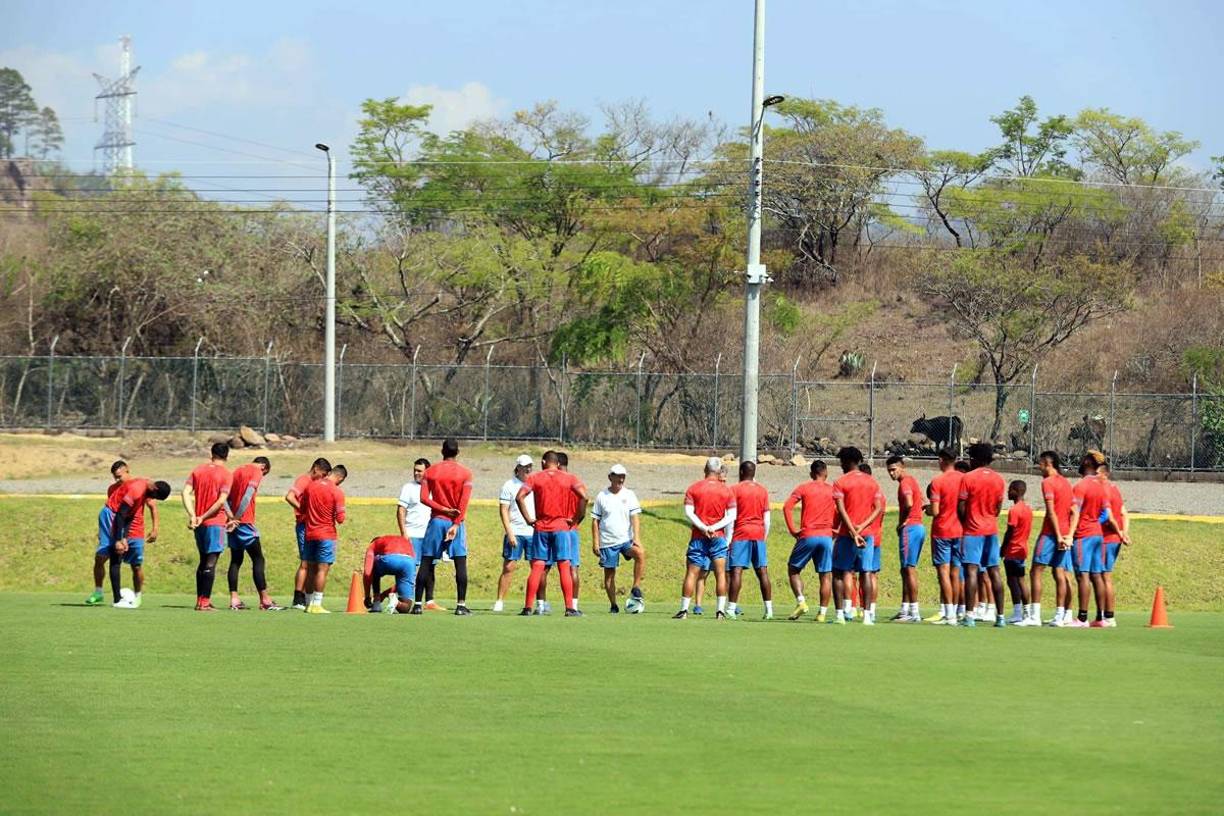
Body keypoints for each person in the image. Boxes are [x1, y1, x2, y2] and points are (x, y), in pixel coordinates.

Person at [516, 450, 588, 616]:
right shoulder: (569, 478)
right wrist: (576, 518)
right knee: (564, 566)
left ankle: (528, 607)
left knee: (538, 567)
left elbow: (519, 497)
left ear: (543, 462)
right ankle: (570, 608)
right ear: (558, 463)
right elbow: (584, 497)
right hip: (562, 527)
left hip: (541, 527)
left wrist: (528, 519)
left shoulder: (535, 477)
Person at [1066, 451, 1128, 628]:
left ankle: (1082, 618)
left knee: (1082, 575)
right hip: (1098, 536)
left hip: (1083, 535)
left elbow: (1075, 511)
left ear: (1087, 462)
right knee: (1097, 575)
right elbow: (1107, 513)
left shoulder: (1081, 485)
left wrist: (1070, 534)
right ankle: (1101, 617)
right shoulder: (1102, 486)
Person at [673, 457, 736, 619]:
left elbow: (688, 512)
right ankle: (720, 611)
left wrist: (703, 527)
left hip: (698, 536)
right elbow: (731, 516)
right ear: (719, 471)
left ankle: (684, 610)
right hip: (718, 536)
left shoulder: (694, 488)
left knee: (692, 573)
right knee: (721, 574)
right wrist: (714, 528)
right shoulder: (726, 491)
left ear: (705, 469)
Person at [418, 439, 475, 616]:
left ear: (442, 451)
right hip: (455, 522)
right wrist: (456, 522)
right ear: (458, 452)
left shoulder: (431, 472)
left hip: (436, 521)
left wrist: (442, 509)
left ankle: (418, 604)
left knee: (426, 561)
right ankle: (460, 605)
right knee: (460, 563)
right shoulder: (465, 473)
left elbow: (424, 498)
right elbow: (464, 502)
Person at [830, 448, 883, 624]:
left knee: (838, 572)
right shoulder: (872, 482)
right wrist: (863, 526)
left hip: (847, 535)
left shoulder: (840, 481)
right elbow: (878, 508)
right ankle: (867, 616)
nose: (841, 465)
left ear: (846, 461)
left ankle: (840, 615)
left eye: (841, 462)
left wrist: (853, 531)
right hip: (867, 534)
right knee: (866, 572)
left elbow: (841, 509)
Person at [956, 442, 1007, 627]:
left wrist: (966, 523)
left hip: (973, 530)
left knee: (971, 571)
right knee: (994, 571)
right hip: (991, 530)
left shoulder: (968, 478)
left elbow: (961, 506)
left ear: (976, 459)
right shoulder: (999, 479)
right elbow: (998, 508)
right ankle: (1000, 617)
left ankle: (969, 616)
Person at [104, 476, 172, 608]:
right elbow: (120, 514)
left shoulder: (146, 492)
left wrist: (124, 536)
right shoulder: (137, 490)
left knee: (134, 564)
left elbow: (129, 515)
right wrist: (119, 539)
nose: (153, 500)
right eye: (155, 496)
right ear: (155, 489)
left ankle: (131, 597)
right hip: (112, 515)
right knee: (116, 556)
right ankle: (117, 600)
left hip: (124, 522)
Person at [782, 460, 836, 622]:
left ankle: (801, 602)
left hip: (808, 534)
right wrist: (836, 530)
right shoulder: (832, 490)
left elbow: (787, 507)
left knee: (793, 569)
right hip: (826, 536)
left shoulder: (804, 487)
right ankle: (822, 613)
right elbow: (841, 510)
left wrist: (793, 529)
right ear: (826, 474)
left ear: (812, 474)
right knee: (826, 575)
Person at [225, 456, 281, 611]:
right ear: (263, 466)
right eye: (265, 474)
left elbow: (223, 497)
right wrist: (237, 517)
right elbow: (248, 495)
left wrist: (229, 517)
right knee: (258, 559)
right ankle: (265, 600)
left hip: (231, 523)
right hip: (244, 521)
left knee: (236, 560)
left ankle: (234, 600)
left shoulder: (236, 471)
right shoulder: (256, 471)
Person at [183, 442, 234, 612]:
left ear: (211, 453)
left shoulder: (198, 470)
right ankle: (204, 602)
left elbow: (185, 492)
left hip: (200, 524)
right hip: (215, 522)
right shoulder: (226, 474)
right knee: (211, 562)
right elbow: (221, 500)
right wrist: (204, 516)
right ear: (227, 456)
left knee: (203, 560)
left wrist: (193, 516)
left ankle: (201, 600)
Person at [590, 464, 644, 613]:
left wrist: (636, 538)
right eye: (618, 476)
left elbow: (635, 517)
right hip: (607, 542)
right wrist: (596, 542)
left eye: (623, 476)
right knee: (609, 575)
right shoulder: (602, 496)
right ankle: (613, 605)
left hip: (625, 540)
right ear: (610, 477)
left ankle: (636, 587)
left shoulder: (629, 495)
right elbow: (595, 521)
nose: (621, 479)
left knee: (640, 554)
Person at [1029, 451, 1074, 626]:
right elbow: (1072, 511)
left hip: (1050, 533)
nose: (1039, 467)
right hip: (1064, 532)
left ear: (1048, 463)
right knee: (1060, 572)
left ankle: (1034, 615)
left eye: (1040, 463)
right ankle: (1060, 615)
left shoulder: (1047, 483)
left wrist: (1056, 536)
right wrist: (1068, 534)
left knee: (1036, 571)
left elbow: (1051, 511)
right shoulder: (1067, 483)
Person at [300, 464, 348, 614]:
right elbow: (340, 518)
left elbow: (302, 507)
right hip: (326, 534)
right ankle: (317, 604)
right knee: (322, 569)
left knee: (310, 569)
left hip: (310, 533)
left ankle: (308, 603)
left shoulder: (310, 486)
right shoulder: (337, 491)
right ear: (340, 477)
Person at [728, 460, 773, 620]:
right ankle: (769, 609)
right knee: (762, 571)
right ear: (754, 473)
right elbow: (767, 518)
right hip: (758, 533)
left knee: (737, 570)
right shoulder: (763, 491)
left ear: (741, 472)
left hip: (740, 533)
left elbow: (731, 516)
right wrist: (763, 536)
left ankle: (731, 608)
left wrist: (728, 539)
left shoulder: (734, 489)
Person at [285, 457, 331, 610]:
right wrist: (303, 510)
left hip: (311, 527)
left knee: (312, 564)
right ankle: (298, 598)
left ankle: (305, 597)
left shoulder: (314, 484)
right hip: (304, 525)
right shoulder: (304, 480)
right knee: (305, 562)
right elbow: (289, 497)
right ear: (316, 469)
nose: (323, 478)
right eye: (323, 475)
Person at [886, 455, 927, 622]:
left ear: (902, 467)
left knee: (909, 569)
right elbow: (923, 503)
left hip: (910, 529)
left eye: (894, 469)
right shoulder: (913, 481)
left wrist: (903, 522)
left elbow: (909, 503)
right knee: (905, 569)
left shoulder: (905, 483)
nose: (891, 473)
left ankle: (914, 611)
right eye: (889, 470)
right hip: (918, 528)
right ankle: (905, 609)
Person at [925, 448, 964, 624]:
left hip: (942, 530)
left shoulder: (938, 481)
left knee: (943, 572)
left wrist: (927, 509)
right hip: (961, 530)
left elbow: (935, 510)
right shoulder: (964, 479)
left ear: (941, 460)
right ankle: (955, 612)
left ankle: (948, 614)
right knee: (956, 573)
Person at [493, 454, 536, 612]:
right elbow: (504, 510)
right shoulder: (509, 485)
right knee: (509, 567)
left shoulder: (535, 483)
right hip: (516, 531)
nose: (528, 469)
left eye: (530, 466)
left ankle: (537, 602)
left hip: (533, 532)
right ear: (517, 468)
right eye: (525, 466)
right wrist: (509, 532)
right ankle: (499, 601)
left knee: (537, 568)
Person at [87, 460, 132, 605]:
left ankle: (119, 597)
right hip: (108, 525)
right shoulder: (112, 488)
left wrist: (124, 535)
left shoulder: (134, 487)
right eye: (115, 477)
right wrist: (102, 530)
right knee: (99, 559)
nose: (117, 480)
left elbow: (132, 512)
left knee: (117, 559)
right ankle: (99, 592)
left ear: (127, 470)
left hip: (121, 526)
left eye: (119, 476)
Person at [396, 457, 438, 610]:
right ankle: (408, 600)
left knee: (431, 568)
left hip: (430, 535)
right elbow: (401, 510)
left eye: (419, 471)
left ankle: (430, 601)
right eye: (415, 470)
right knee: (411, 569)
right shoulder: (408, 487)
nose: (416, 473)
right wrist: (404, 532)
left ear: (428, 471)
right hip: (412, 534)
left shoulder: (434, 487)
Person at [1096, 462, 1129, 628]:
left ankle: (1107, 616)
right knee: (1104, 575)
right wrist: (1124, 533)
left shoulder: (1105, 491)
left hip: (1107, 538)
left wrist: (1119, 533)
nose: (1095, 477)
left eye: (1097, 474)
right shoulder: (1116, 489)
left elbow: (1109, 517)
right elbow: (1124, 513)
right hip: (1114, 539)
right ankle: (1106, 616)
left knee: (1104, 577)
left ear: (1105, 475)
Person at [1002, 480, 1033, 624]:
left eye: (1009, 490)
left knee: (1013, 581)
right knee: (1021, 580)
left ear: (1015, 491)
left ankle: (1018, 612)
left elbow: (1010, 531)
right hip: (1023, 549)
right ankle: (1027, 613)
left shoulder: (1014, 510)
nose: (1008, 492)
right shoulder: (1027, 509)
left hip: (1013, 549)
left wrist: (1003, 548)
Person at [363, 535, 417, 614]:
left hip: (389, 559)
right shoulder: (405, 541)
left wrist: (367, 596)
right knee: (405, 607)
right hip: (409, 562)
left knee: (373, 567)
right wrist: (385, 594)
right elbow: (411, 578)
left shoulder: (373, 544)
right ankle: (396, 602)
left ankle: (376, 603)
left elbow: (367, 573)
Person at [557, 451, 583, 610]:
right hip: (572, 529)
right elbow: (584, 499)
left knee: (543, 566)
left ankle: (541, 604)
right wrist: (576, 520)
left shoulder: (555, 482)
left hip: (554, 528)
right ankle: (573, 604)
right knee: (573, 567)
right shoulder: (576, 482)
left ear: (557, 465)